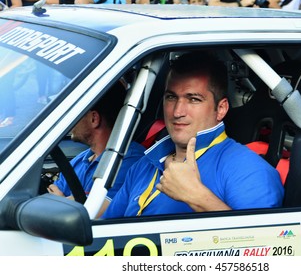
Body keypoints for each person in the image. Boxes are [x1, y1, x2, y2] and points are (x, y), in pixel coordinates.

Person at [102, 51, 284, 219]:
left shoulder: (250, 171)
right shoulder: (145, 163)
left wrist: (196, 196)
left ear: (221, 109)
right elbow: (105, 231)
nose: (177, 112)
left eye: (193, 99)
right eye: (171, 97)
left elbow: (263, 247)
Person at [48, 81, 145, 217]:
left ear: (94, 119)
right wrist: (75, 202)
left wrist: (64, 200)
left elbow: (95, 213)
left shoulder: (130, 162)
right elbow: (52, 197)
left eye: (75, 113)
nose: (70, 120)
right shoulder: (80, 160)